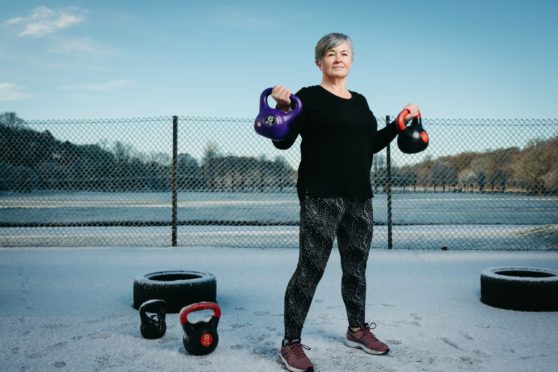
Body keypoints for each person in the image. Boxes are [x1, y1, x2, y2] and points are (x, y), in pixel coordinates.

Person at [270, 32, 420, 372]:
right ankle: (290, 343)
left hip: (359, 196)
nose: (339, 58)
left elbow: (369, 144)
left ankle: (356, 330)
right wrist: (283, 109)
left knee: (356, 268)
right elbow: (283, 143)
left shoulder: (361, 101)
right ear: (319, 62)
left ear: (352, 60)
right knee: (311, 269)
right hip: (320, 194)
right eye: (331, 53)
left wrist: (397, 124)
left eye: (345, 53)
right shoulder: (306, 98)